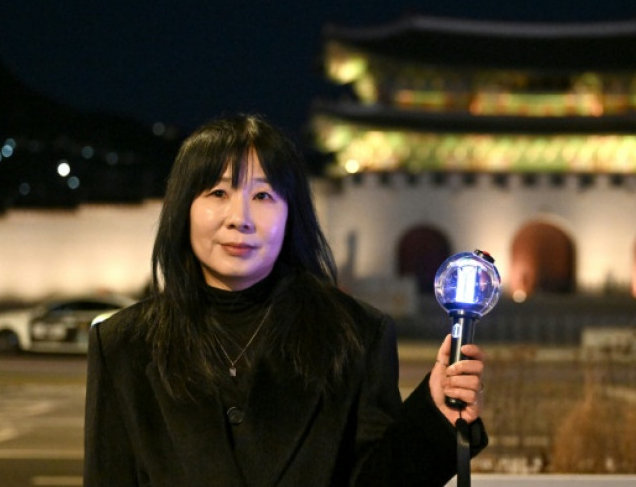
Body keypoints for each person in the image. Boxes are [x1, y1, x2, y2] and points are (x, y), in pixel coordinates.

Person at [84, 114, 488, 486]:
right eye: (218, 192)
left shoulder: (356, 335)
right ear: (183, 208)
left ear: (292, 213)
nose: (239, 217)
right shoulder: (123, 344)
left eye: (263, 196)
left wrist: (435, 416)